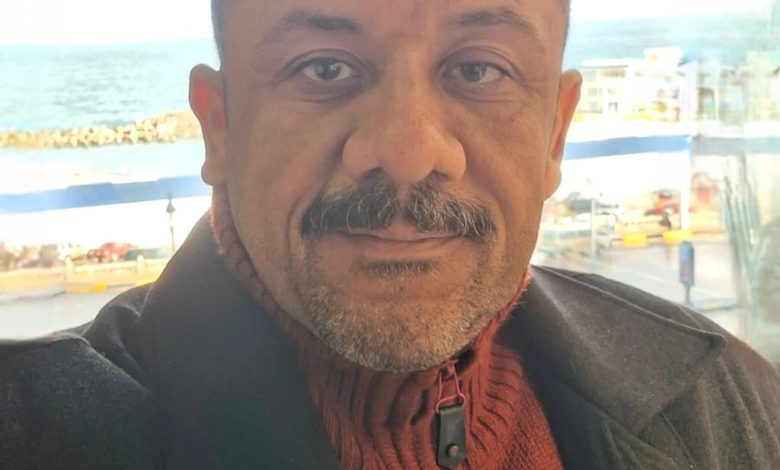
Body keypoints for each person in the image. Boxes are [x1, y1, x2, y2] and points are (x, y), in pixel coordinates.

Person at [2, 1, 779, 469]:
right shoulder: (38, 435)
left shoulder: (726, 401)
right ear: (221, 127)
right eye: (323, 68)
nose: (408, 151)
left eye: (478, 70)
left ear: (554, 135)